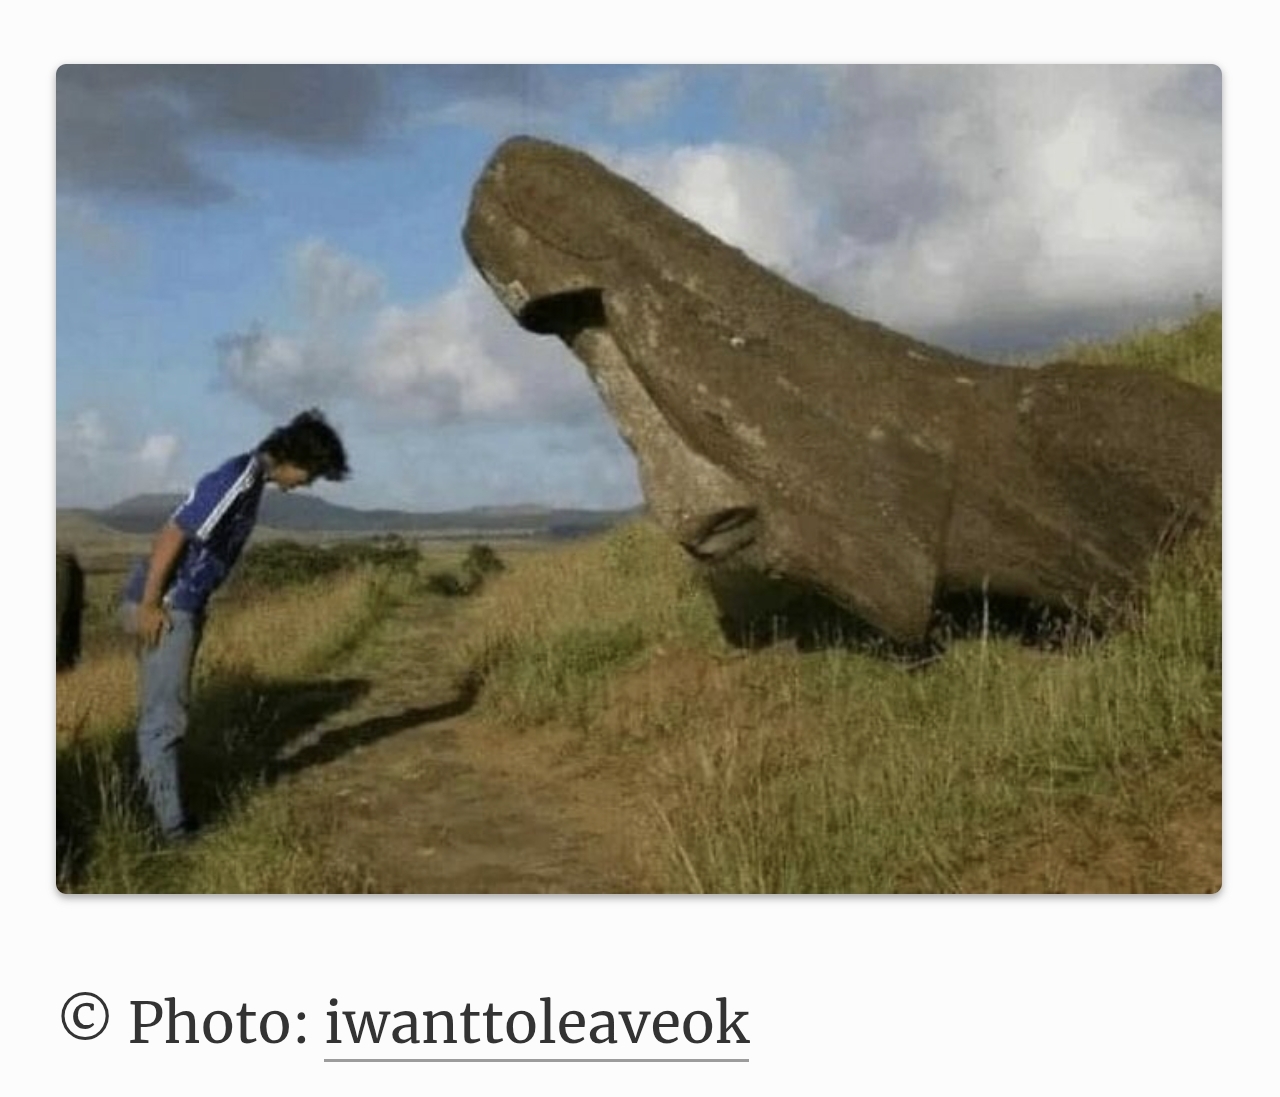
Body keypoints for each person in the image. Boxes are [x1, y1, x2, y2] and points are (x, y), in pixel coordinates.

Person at [120, 409, 350, 841]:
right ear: (296, 458)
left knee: (160, 714)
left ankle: (151, 812)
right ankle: (171, 832)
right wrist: (151, 604)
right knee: (164, 719)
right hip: (168, 606)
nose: (307, 484)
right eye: (311, 474)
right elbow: (175, 532)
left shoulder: (249, 479)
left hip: (179, 603)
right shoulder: (239, 479)